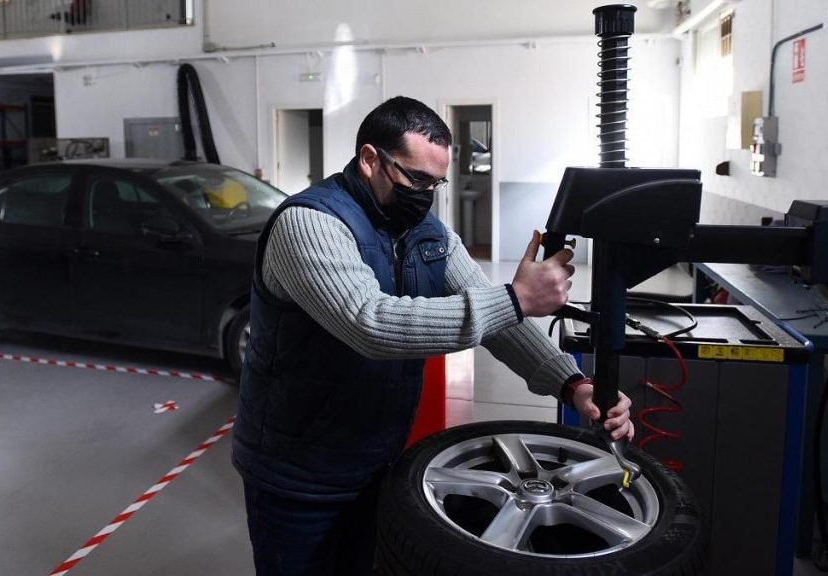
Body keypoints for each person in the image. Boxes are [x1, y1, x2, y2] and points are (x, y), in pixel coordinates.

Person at [231, 95, 634, 575]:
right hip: (298, 473)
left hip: (382, 459)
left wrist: (571, 383)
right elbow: (370, 324)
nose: (425, 195)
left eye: (435, 183)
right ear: (369, 159)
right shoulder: (310, 224)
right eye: (415, 179)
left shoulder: (425, 231)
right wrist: (515, 298)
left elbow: (497, 318)